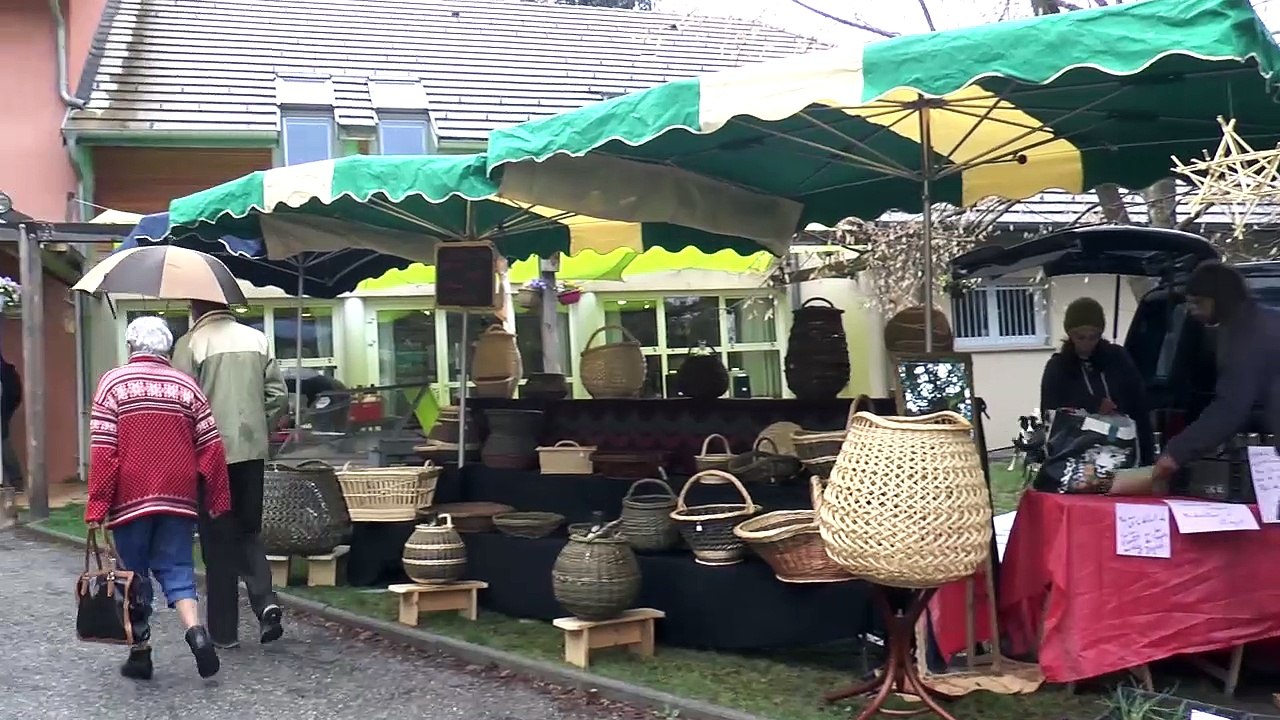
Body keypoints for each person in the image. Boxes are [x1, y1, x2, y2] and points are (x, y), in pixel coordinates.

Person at [85, 316, 231, 680]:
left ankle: (142, 653)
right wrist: (218, 496)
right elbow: (211, 446)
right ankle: (197, 633)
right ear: (167, 348)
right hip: (178, 491)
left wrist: (98, 504)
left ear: (132, 346)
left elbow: (104, 450)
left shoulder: (112, 384)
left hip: (130, 492)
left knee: (133, 574)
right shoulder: (187, 386)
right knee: (178, 566)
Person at [172, 300, 289, 649]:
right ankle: (265, 600)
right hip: (252, 452)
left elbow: (181, 401)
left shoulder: (190, 344)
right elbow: (278, 396)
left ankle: (224, 633)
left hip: (210, 455)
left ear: (196, 307)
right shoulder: (257, 339)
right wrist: (258, 427)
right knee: (249, 531)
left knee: (217, 541)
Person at [1155, 262, 1280, 483]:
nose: (1192, 310)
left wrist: (1175, 453)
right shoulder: (1259, 323)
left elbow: (1231, 408)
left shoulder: (1249, 335)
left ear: (1221, 299)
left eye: (1198, 302)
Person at [1040, 297, 1155, 464]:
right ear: (1070, 334)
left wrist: (1147, 458)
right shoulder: (1058, 366)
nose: (1087, 343)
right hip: (1075, 454)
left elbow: (1139, 406)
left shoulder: (1117, 358)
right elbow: (1051, 413)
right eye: (1080, 337)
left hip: (1120, 447)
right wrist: (1091, 405)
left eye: (1093, 337)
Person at [0, 350, 22, 489]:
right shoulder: (6, 369)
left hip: (4, 406)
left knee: (3, 439)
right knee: (3, 439)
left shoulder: (4, 371)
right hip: (7, 405)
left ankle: (16, 480)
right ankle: (15, 480)